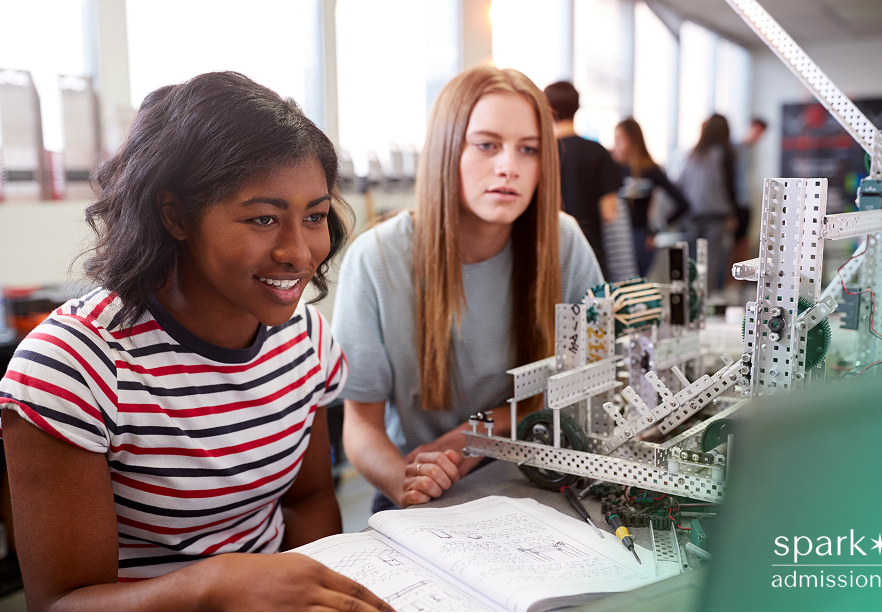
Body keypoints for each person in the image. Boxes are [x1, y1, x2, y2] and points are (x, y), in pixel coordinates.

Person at [0, 72, 391, 611]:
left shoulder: (304, 337)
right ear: (176, 216)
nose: (299, 252)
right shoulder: (72, 365)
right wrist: (215, 586)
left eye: (315, 217)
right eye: (263, 218)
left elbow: (310, 499)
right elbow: (59, 604)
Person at [332, 66, 603, 512]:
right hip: (421, 485)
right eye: (486, 145)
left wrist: (481, 428)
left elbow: (593, 385)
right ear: (446, 148)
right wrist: (408, 482)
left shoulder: (563, 241)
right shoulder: (376, 259)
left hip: (535, 477)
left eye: (529, 149)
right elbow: (360, 427)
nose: (508, 167)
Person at [543, 81, 636, 282]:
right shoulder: (597, 152)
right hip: (590, 258)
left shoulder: (540, 153)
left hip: (547, 258)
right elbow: (610, 213)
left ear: (547, 108)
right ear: (576, 108)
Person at [612, 118, 691, 277]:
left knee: (637, 287)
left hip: (640, 238)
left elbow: (683, 204)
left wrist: (657, 230)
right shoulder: (614, 168)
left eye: (620, 139)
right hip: (617, 237)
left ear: (632, 140)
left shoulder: (650, 170)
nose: (616, 144)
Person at [678, 113, 739, 293]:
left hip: (691, 214)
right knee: (712, 263)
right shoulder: (724, 153)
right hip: (716, 215)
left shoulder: (693, 153)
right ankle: (708, 302)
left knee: (692, 263)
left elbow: (681, 184)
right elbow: (729, 186)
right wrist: (733, 213)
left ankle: (692, 302)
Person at [730, 117, 768, 272]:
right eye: (756, 131)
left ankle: (738, 282)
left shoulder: (751, 151)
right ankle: (729, 282)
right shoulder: (735, 149)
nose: (757, 136)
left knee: (744, 242)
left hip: (747, 201)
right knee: (734, 243)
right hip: (736, 202)